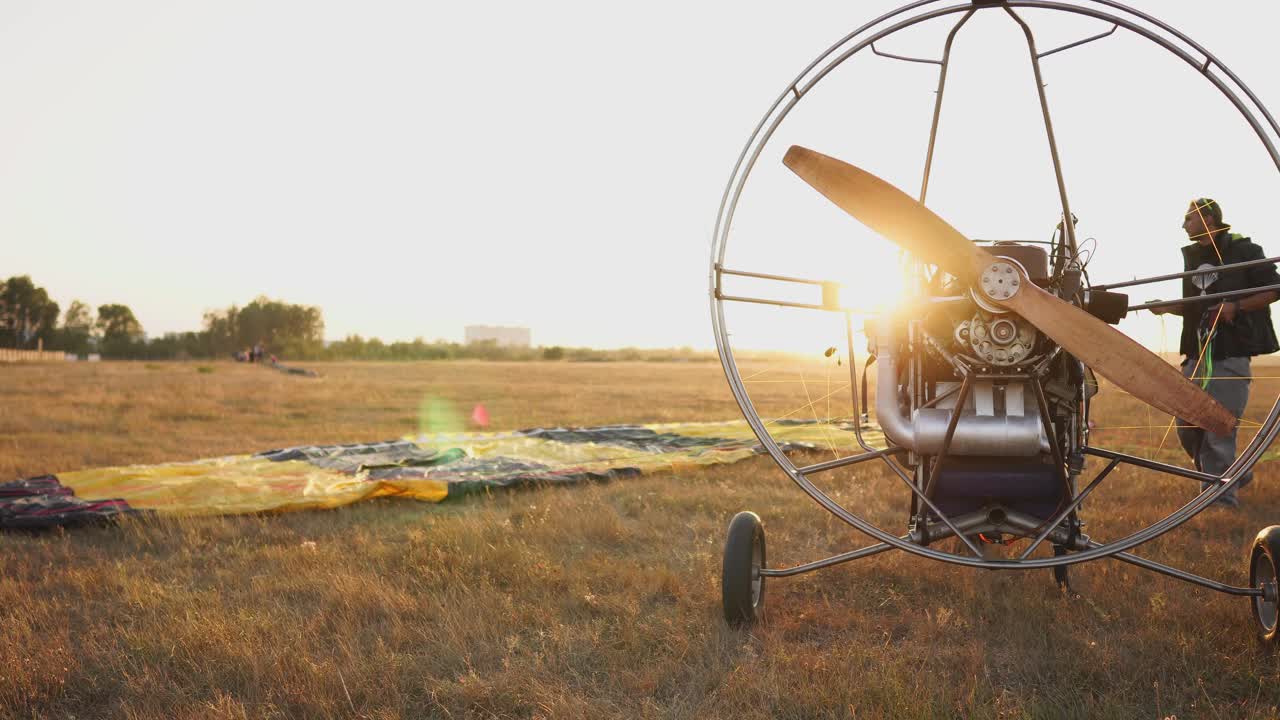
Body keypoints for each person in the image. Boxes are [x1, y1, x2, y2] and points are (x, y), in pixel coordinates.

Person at [1151, 198, 1280, 506]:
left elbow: (1275, 287)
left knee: (1218, 429)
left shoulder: (1244, 250)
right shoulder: (1194, 256)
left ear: (1208, 219)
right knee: (1187, 427)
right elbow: (1197, 307)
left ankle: (1220, 501)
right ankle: (1233, 472)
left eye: (1189, 218)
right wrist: (1168, 307)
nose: (1184, 225)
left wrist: (1237, 307)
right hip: (1195, 356)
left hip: (1229, 354)